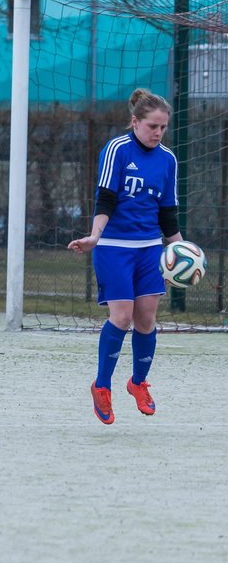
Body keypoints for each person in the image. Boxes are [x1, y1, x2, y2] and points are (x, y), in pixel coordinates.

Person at [68, 88, 182, 425]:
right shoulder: (117, 150)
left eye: (163, 127)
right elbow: (105, 199)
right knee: (122, 317)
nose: (158, 133)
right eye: (152, 126)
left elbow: (168, 213)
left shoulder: (168, 159)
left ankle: (137, 383)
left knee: (146, 319)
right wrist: (94, 236)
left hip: (149, 248)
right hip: (114, 247)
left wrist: (181, 249)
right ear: (135, 122)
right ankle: (102, 386)